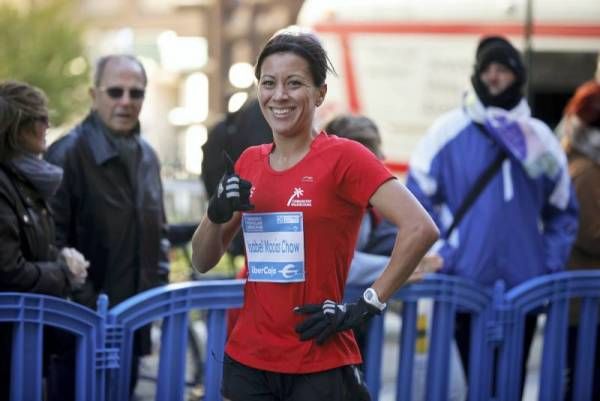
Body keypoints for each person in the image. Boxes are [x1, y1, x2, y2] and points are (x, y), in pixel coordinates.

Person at [191, 30, 439, 401]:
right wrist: (214, 214)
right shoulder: (248, 162)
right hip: (249, 360)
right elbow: (201, 260)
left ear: (320, 93)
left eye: (294, 83)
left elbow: (421, 228)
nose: (279, 95)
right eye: (269, 83)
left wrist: (369, 302)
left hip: (318, 360)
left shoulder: (346, 158)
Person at [406, 35, 579, 396]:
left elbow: (563, 210)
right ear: (476, 75)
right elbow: (414, 200)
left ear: (517, 76)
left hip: (525, 286)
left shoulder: (539, 139)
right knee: (478, 386)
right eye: (487, 71)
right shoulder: (448, 131)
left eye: (503, 70)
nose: (494, 78)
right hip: (465, 283)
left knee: (511, 386)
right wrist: (447, 255)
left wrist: (546, 264)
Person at [44, 54, 170, 396]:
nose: (126, 102)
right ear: (93, 95)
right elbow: (48, 244)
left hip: (131, 325)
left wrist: (153, 294)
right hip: (79, 330)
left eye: (136, 93)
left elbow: (157, 231)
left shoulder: (148, 156)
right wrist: (91, 308)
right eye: (115, 91)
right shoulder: (66, 155)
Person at [0, 80, 89, 400]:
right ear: (16, 126)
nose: (47, 124)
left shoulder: (27, 181)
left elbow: (32, 247)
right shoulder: (6, 184)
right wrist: (63, 272)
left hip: (27, 342)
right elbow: (9, 270)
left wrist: (61, 258)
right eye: (39, 117)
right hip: (10, 344)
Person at [557, 80, 600, 400]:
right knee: (584, 381)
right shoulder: (586, 171)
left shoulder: (582, 163)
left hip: (582, 299)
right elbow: (590, 233)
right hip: (583, 302)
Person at [201, 97, 272, 262]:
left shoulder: (250, 114)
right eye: (269, 83)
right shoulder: (253, 155)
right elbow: (202, 261)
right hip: (248, 226)